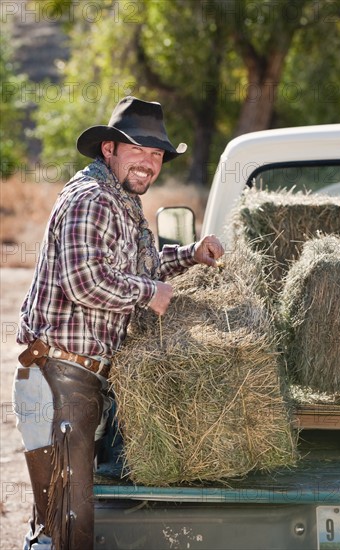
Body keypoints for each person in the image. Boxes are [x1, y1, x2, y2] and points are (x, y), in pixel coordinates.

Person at [13, 96, 224, 550]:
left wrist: (191, 254)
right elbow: (83, 281)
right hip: (57, 378)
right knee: (68, 525)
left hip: (77, 378)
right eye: (138, 150)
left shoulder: (122, 201)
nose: (149, 163)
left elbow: (140, 270)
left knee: (65, 522)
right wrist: (151, 294)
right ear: (109, 148)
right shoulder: (91, 199)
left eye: (156, 155)